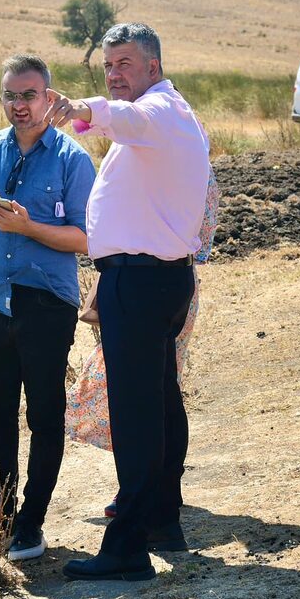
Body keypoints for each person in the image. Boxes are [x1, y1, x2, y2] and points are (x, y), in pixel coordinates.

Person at [45, 23, 211, 582]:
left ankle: (128, 547)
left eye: (126, 64)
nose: (115, 73)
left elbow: (126, 118)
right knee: (160, 402)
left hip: (141, 284)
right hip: (149, 280)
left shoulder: (157, 114)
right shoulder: (165, 117)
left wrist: (79, 107)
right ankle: (163, 519)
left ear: (154, 68)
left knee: (139, 413)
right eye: (109, 65)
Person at [0, 54, 96, 564]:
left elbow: (86, 237)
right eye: (10, 95)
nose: (19, 105)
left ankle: (31, 524)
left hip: (47, 303)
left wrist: (28, 228)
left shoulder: (73, 159)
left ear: (49, 98)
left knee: (46, 415)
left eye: (29, 95)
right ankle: (0, 518)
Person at [65, 171, 220, 517]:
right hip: (171, 280)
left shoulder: (160, 165)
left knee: (146, 391)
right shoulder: (190, 161)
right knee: (158, 387)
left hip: (147, 283)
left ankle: (145, 494)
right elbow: (204, 237)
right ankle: (156, 491)